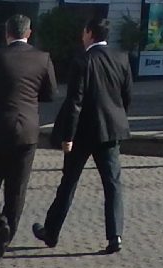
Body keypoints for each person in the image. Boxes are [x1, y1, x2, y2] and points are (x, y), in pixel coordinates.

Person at [33, 16, 134, 254]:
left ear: (89, 33)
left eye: (84, 32)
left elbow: (75, 102)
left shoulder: (83, 61)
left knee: (69, 182)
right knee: (112, 184)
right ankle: (115, 235)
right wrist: (117, 117)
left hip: (83, 133)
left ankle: (51, 232)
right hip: (110, 131)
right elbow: (127, 95)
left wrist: (67, 136)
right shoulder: (121, 58)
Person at [0, 13, 59, 261]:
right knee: (16, 190)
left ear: (6, 33)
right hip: (26, 131)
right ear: (29, 33)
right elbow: (50, 94)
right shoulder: (42, 58)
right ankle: (5, 239)